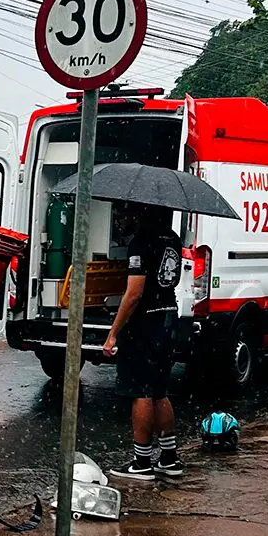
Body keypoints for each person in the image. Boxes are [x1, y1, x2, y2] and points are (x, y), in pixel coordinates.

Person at [101, 204, 184, 481]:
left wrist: (113, 331)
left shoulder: (140, 242)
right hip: (168, 317)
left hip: (145, 323)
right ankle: (169, 458)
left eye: (128, 214)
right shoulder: (172, 237)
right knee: (160, 390)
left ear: (141, 213)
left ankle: (142, 461)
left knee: (142, 391)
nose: (124, 219)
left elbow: (134, 293)